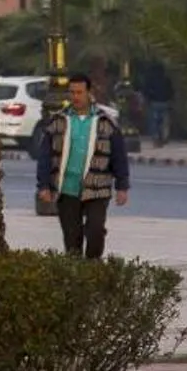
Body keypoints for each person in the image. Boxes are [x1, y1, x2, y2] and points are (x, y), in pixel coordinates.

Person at [34, 72, 129, 259]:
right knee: (72, 238)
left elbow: (119, 155)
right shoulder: (58, 121)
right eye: (72, 92)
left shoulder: (105, 122)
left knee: (95, 231)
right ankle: (76, 275)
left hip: (97, 188)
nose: (75, 97)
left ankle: (93, 266)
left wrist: (122, 186)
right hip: (67, 189)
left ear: (89, 93)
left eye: (79, 92)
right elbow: (45, 155)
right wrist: (43, 185)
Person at [140, 56, 174, 148]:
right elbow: (171, 91)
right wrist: (170, 99)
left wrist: (147, 100)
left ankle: (156, 139)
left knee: (154, 122)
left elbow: (146, 90)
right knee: (164, 122)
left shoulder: (151, 79)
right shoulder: (166, 79)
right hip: (165, 102)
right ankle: (163, 138)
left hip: (154, 103)